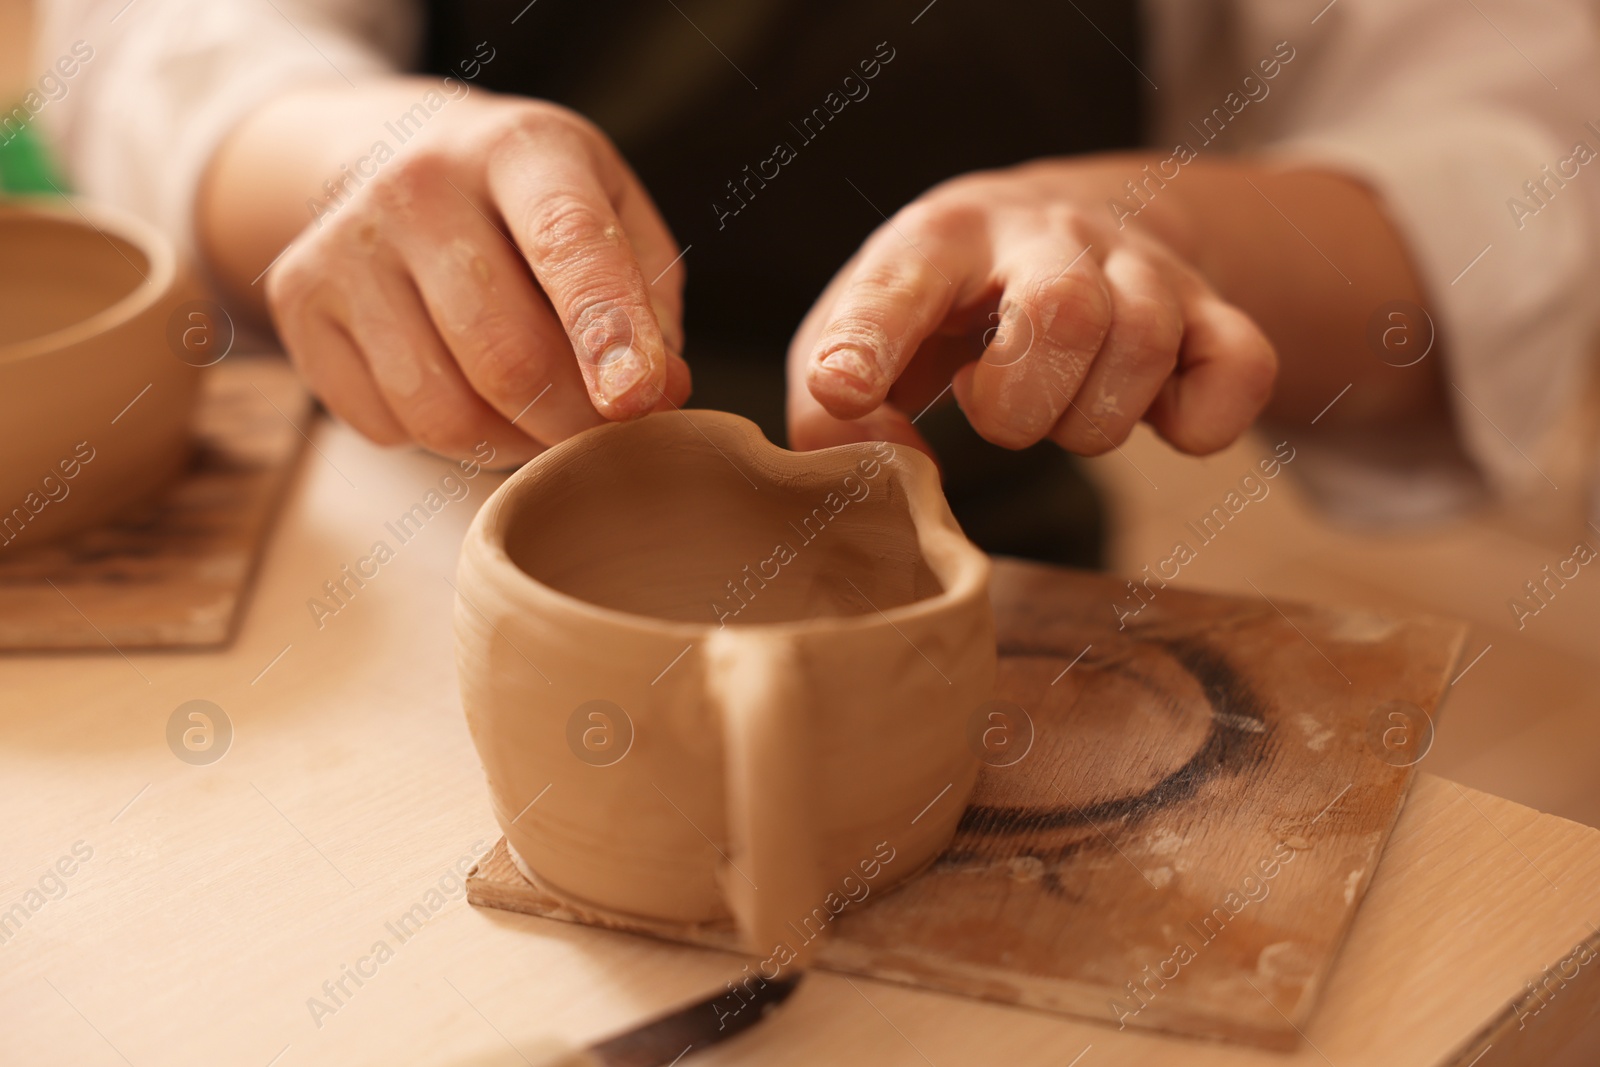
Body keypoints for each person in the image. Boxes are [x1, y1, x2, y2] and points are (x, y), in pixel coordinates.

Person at [33, 0, 1600, 552]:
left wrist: (1160, 236)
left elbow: (1511, 162)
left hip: (981, 566)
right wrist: (357, 158)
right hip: (411, 542)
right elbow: (169, 42)